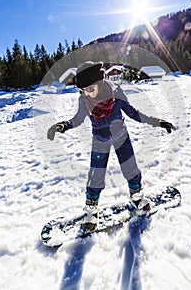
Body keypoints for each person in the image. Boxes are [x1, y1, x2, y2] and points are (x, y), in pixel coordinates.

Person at [47, 61, 175, 231]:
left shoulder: (117, 94)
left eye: (90, 89)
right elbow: (78, 119)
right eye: (83, 90)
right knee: (96, 175)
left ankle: (137, 197)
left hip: (121, 136)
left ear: (100, 83)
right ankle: (91, 211)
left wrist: (157, 122)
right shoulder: (84, 100)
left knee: (131, 169)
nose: (87, 94)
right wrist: (63, 125)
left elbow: (134, 113)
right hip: (100, 140)